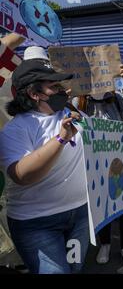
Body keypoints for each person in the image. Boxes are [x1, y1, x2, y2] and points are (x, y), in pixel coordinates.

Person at [0, 59, 89, 274]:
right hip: (37, 224)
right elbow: (22, 174)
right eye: (54, 86)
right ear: (34, 94)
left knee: (74, 269)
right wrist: (60, 139)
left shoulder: (73, 116)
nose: (63, 90)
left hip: (80, 217)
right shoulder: (15, 129)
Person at [76, 64, 123, 267]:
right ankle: (105, 244)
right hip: (95, 165)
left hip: (121, 163)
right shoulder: (80, 102)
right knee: (101, 206)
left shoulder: (118, 99)